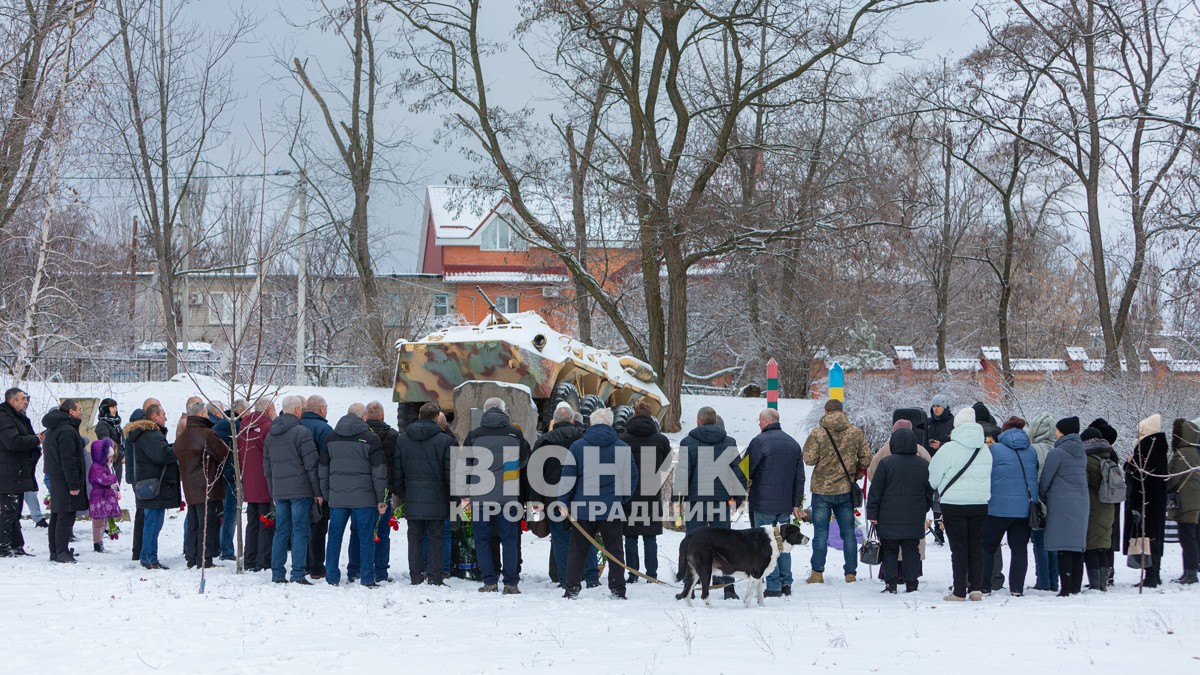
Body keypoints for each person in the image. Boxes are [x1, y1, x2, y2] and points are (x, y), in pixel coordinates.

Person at [561, 407, 637, 599]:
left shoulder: (577, 447)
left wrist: (563, 502)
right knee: (615, 550)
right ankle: (618, 588)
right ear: (611, 423)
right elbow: (631, 478)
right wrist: (621, 499)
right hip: (611, 507)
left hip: (582, 508)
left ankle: (572, 588)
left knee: (578, 550)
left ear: (591, 423)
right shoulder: (622, 448)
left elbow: (568, 477)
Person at [463, 397, 531, 594]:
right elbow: (524, 460)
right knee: (510, 539)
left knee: (482, 540)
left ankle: (489, 581)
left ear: (484, 412)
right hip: (508, 496)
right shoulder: (515, 434)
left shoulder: (474, 435)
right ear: (504, 411)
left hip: (480, 497)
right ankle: (511, 583)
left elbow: (465, 466)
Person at [678, 405, 744, 599]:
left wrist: (679, 498)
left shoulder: (687, 442)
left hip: (695, 500)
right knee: (726, 545)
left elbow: (683, 473)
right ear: (715, 421)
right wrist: (739, 497)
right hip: (720, 501)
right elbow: (739, 472)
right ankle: (728, 588)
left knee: (692, 543)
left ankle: (688, 588)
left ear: (698, 421)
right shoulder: (729, 442)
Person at [802, 399, 869, 586]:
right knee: (848, 532)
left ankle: (817, 573)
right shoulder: (855, 432)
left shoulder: (817, 433)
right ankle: (850, 573)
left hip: (822, 491)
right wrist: (853, 471)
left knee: (821, 532)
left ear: (825, 411)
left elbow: (808, 459)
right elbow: (866, 459)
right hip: (845, 489)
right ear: (842, 411)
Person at [928, 406, 992, 601]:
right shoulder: (984, 451)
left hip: (954, 504)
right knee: (976, 546)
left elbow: (933, 478)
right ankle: (976, 589)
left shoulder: (948, 449)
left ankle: (958, 590)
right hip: (979, 504)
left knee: (958, 547)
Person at [532, 404, 599, 588]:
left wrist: (536, 502)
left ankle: (564, 578)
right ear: (572, 419)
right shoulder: (585, 439)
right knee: (586, 536)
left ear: (554, 420)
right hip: (582, 496)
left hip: (553, 498)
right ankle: (592, 577)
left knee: (560, 539)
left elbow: (535, 475)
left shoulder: (544, 440)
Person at [320, 403, 388, 587]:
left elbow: (323, 469)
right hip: (364, 499)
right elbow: (378, 471)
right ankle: (366, 578)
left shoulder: (331, 437)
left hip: (337, 498)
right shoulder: (370, 438)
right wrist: (381, 498)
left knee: (334, 537)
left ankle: (332, 577)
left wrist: (327, 494)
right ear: (363, 417)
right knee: (366, 538)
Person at [867, 427, 933, 593]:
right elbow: (929, 491)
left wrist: (873, 513)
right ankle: (912, 584)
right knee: (912, 550)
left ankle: (891, 584)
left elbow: (876, 491)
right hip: (914, 515)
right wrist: (924, 508)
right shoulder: (923, 465)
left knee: (890, 550)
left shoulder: (886, 463)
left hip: (888, 516)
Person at [264, 395, 321, 585]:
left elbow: (267, 467)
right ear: (297, 410)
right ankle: (297, 573)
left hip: (280, 491)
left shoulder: (271, 434)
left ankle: (278, 573)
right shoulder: (302, 433)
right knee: (300, 530)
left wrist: (273, 492)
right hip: (300, 491)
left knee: (281, 531)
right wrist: (317, 491)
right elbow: (311, 465)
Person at [394, 402, 453, 585]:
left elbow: (397, 471)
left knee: (414, 537)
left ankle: (416, 576)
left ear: (419, 416)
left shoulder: (403, 439)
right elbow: (450, 473)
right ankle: (435, 577)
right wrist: (452, 498)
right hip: (437, 497)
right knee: (436, 537)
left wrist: (404, 494)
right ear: (437, 418)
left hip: (413, 496)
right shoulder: (445, 441)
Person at [749, 407, 805, 596]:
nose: (758, 424)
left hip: (763, 504)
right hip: (784, 505)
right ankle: (786, 583)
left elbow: (747, 469)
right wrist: (796, 503)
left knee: (766, 545)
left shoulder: (759, 442)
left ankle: (772, 586)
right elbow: (800, 478)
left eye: (759, 421)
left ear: (765, 421)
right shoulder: (794, 444)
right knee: (784, 543)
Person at [981, 417, 1038, 596]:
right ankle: (1017, 588)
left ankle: (985, 586)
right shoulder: (1031, 451)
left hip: (996, 508)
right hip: (1023, 510)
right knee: (1019, 549)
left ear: (1003, 432)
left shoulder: (994, 450)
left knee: (988, 547)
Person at [618, 401, 671, 584]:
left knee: (630, 536)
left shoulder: (623, 439)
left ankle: (633, 573)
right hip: (651, 492)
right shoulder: (661, 440)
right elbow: (666, 465)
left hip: (629, 493)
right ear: (650, 416)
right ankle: (651, 574)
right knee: (650, 536)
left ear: (633, 415)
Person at [175, 400, 232, 569]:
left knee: (194, 523)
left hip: (190, 486)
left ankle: (192, 557)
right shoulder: (207, 434)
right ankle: (205, 559)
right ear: (200, 415)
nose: (208, 416)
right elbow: (224, 454)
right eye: (206, 414)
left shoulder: (183, 435)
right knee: (207, 524)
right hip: (207, 485)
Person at [1039, 416, 1089, 597]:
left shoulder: (1057, 452)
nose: (1055, 432)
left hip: (1061, 503)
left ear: (1064, 432)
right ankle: (1076, 586)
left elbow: (1046, 479)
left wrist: (1042, 496)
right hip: (1081, 502)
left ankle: (1066, 588)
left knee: (1063, 546)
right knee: (1076, 546)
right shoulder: (1082, 451)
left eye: (1058, 429)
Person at [127, 404, 179, 570]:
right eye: (163, 414)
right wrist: (177, 447)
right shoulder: (150, 434)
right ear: (154, 416)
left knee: (153, 521)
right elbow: (163, 455)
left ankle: (148, 555)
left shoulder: (146, 434)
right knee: (153, 522)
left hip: (149, 482)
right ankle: (148, 557)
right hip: (154, 484)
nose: (166, 418)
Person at [353, 401, 400, 582]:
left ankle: (356, 568)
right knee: (382, 533)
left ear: (365, 416)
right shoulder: (393, 436)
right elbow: (396, 464)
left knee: (358, 531)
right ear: (382, 415)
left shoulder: (359, 435)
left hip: (362, 490)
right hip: (385, 490)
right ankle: (381, 571)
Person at [1124, 414, 1169, 589]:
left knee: (1146, 537)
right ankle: (1154, 573)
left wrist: (1128, 465)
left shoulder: (1146, 449)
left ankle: (1151, 575)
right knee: (1154, 537)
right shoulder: (1159, 448)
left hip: (1144, 500)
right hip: (1156, 500)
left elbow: (1135, 476)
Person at [42, 399, 89, 563]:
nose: (81, 412)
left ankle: (56, 551)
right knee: (65, 517)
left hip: (57, 477)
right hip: (64, 480)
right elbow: (68, 460)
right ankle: (61, 552)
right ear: (71, 412)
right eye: (79, 409)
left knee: (57, 514)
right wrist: (74, 484)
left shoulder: (54, 427)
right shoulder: (67, 430)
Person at [0, 387, 42, 557]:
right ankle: (4, 547)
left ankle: (16, 546)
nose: (26, 401)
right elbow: (13, 442)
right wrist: (36, 439)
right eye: (23, 398)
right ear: (12, 401)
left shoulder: (19, 418)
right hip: (7, 472)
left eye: (27, 398)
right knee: (8, 512)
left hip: (17, 472)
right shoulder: (4, 418)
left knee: (15, 512)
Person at [238, 399, 275, 572]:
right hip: (264, 482)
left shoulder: (244, 425)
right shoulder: (268, 427)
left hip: (248, 481)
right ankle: (263, 560)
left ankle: (249, 559)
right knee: (266, 523)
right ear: (268, 409)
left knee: (252, 523)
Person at [300, 395, 334, 580]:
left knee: (301, 527)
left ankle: (302, 564)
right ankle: (317, 568)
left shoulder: (297, 426)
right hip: (319, 486)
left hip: (297, 485)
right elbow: (330, 458)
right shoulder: (325, 429)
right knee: (319, 528)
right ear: (321, 407)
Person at [1081, 427, 1118, 591]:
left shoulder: (1088, 461)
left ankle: (1096, 583)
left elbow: (1083, 485)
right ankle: (1103, 581)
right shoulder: (1108, 458)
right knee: (1103, 547)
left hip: (1093, 508)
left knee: (1091, 547)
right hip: (1108, 508)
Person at [126, 397, 161, 562]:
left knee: (142, 514)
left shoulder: (137, 429)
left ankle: (138, 550)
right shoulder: (142, 429)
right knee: (144, 514)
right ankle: (140, 551)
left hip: (137, 475)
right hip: (140, 476)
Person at [1027, 412, 1059, 591]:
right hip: (1056, 502)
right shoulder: (1057, 449)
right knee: (1052, 542)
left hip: (1038, 502)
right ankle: (1054, 581)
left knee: (1039, 541)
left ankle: (1043, 581)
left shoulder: (1033, 450)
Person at [212, 400, 247, 562]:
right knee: (230, 514)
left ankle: (223, 547)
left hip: (221, 473)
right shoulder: (234, 426)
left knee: (226, 512)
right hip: (230, 474)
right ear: (240, 410)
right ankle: (226, 550)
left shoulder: (221, 424)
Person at [1167, 417, 1199, 584]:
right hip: (1192, 499)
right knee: (1188, 537)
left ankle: (1191, 572)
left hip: (1186, 501)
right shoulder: (1193, 452)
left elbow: (1173, 476)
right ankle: (1189, 571)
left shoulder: (1183, 453)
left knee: (1186, 537)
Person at [927, 395, 953, 545]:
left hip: (948, 464)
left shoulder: (953, 422)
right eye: (934, 406)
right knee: (935, 498)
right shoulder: (929, 422)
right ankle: (938, 530)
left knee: (946, 498)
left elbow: (955, 443)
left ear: (945, 407)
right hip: (931, 462)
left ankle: (946, 528)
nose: (935, 409)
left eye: (938, 406)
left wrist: (941, 445)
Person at [87, 438, 121, 553]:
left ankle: (99, 541)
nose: (111, 459)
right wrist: (113, 478)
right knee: (98, 521)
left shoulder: (103, 466)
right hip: (99, 497)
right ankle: (97, 543)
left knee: (103, 520)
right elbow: (104, 480)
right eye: (109, 457)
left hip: (104, 496)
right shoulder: (96, 467)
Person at [94, 398, 124, 487]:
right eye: (112, 407)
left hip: (117, 462)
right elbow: (107, 444)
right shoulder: (102, 424)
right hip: (109, 463)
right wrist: (121, 456)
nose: (115, 410)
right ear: (106, 409)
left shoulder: (115, 424)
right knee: (111, 490)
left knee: (116, 491)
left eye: (115, 407)